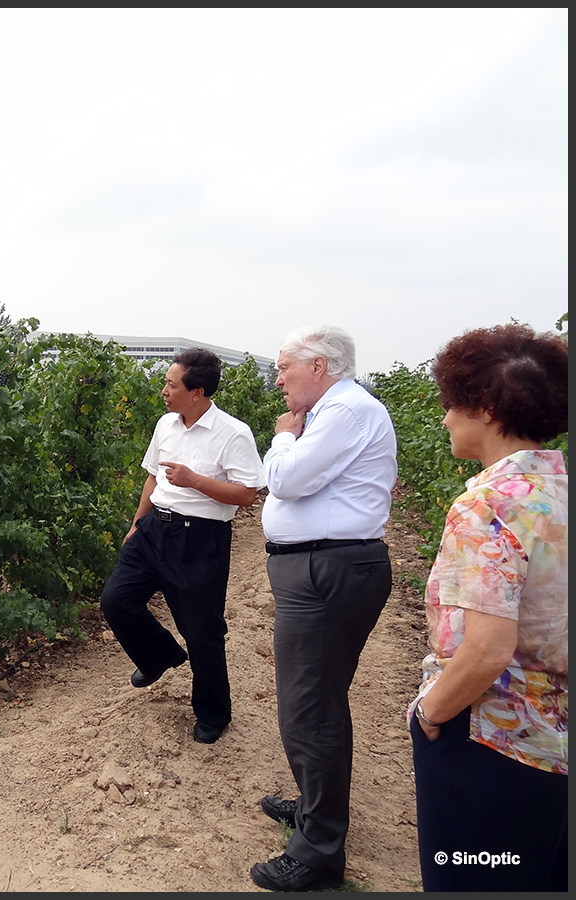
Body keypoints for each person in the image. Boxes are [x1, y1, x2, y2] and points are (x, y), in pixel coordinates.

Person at [408, 324, 567, 892]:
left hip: (495, 738)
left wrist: (431, 713)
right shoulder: (561, 492)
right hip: (558, 739)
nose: (445, 419)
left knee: (471, 876)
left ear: (486, 408)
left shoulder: (490, 505)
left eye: (452, 404)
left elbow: (487, 650)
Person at [250, 325, 397, 892]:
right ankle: (317, 808)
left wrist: (284, 437)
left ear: (318, 366)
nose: (278, 379)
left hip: (327, 569)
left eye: (284, 367)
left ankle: (318, 853)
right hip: (320, 567)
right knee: (317, 701)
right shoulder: (335, 411)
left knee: (309, 708)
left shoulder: (345, 411)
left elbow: (284, 480)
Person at [100, 348, 265, 744]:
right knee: (116, 600)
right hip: (154, 529)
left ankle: (213, 713)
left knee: (201, 630)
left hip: (199, 538)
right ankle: (158, 655)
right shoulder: (166, 424)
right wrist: (137, 524)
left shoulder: (233, 433)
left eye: (171, 385)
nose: (164, 391)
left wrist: (195, 481)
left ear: (198, 392)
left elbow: (246, 494)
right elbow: (152, 477)